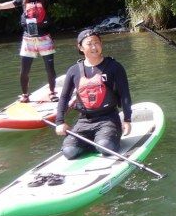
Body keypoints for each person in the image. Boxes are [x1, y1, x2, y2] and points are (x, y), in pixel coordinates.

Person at [54, 28, 132, 160]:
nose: (94, 47)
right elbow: (64, 97)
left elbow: (125, 94)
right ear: (80, 47)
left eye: (97, 42)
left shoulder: (114, 67)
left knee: (105, 147)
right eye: (89, 44)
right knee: (69, 152)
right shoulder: (73, 71)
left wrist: (127, 119)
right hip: (84, 120)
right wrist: (59, 122)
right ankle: (92, 141)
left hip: (108, 119)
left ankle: (104, 141)